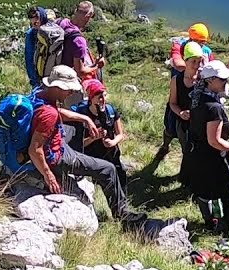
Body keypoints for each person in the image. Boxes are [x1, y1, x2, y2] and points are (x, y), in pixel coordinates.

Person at [26, 66, 144, 227]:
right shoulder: (49, 114)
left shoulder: (38, 95)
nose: (71, 93)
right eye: (69, 90)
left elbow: (56, 112)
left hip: (56, 143)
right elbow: (35, 149)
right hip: (57, 156)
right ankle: (122, 213)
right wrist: (49, 175)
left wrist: (84, 119)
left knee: (79, 138)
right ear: (59, 87)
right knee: (107, 169)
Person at [189, 60, 229, 233]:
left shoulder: (196, 97)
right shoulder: (214, 108)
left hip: (197, 152)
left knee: (204, 190)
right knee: (227, 193)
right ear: (210, 80)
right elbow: (215, 140)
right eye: (222, 79)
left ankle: (209, 221)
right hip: (213, 155)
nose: (226, 82)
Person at [159, 23, 212, 157]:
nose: (201, 45)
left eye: (203, 42)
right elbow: (178, 64)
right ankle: (165, 146)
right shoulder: (179, 46)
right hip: (179, 91)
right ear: (191, 38)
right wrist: (196, 68)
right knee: (170, 127)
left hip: (194, 99)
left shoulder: (206, 51)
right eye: (199, 42)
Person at [71, 79, 128, 190]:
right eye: (99, 97)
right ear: (91, 99)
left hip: (112, 154)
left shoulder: (110, 110)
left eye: (104, 96)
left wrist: (112, 142)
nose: (103, 100)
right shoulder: (81, 115)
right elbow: (77, 145)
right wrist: (93, 138)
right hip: (92, 157)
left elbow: (120, 134)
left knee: (120, 178)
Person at [170, 42, 206, 184]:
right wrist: (180, 113)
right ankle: (187, 179)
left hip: (201, 122)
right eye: (193, 61)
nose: (197, 65)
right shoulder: (176, 80)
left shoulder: (203, 79)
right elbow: (172, 103)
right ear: (185, 61)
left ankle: (196, 178)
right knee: (187, 150)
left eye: (199, 61)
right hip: (184, 123)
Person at [58, 1, 104, 81]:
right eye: (91, 16)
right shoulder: (79, 41)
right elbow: (80, 71)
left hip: (51, 72)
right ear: (88, 16)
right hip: (64, 79)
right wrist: (97, 66)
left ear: (76, 11)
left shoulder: (61, 22)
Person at [23, 6, 48, 89]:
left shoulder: (50, 32)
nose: (34, 26)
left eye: (36, 23)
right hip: (39, 78)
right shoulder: (31, 35)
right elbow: (29, 60)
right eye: (32, 23)